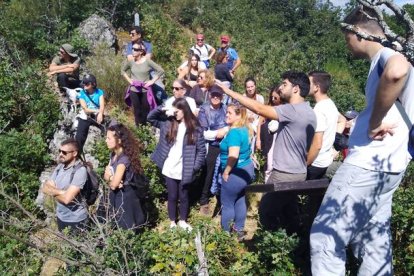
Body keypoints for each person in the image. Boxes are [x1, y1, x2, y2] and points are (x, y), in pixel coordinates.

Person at [310, 6, 414, 275]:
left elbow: (397, 71)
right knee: (374, 244)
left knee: (326, 237)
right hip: (390, 166)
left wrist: (375, 121)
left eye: (347, 36)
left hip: (366, 165)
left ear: (358, 33)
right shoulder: (387, 59)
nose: (346, 43)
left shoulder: (387, 57)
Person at [218, 71, 316, 234]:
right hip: (298, 171)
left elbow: (258, 108)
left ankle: (268, 252)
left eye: (284, 84)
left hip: (284, 173)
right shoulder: (309, 111)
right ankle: (292, 248)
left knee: (266, 213)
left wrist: (228, 92)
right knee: (289, 213)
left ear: (296, 89)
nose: (280, 87)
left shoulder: (293, 110)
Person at [148, 98, 206, 230]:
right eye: (173, 111)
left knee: (184, 196)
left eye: (177, 111)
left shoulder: (195, 128)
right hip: (169, 167)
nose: (175, 113)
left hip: (185, 168)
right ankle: (172, 221)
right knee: (172, 195)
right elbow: (150, 117)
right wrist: (163, 108)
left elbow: (201, 151)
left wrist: (195, 167)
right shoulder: (168, 123)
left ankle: (183, 221)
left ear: (184, 110)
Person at [219, 103, 255, 240]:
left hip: (235, 173)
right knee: (240, 199)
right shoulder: (244, 128)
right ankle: (239, 230)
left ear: (239, 115)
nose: (226, 115)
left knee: (227, 204)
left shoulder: (234, 133)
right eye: (226, 112)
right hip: (246, 170)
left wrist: (226, 171)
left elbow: (233, 155)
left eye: (230, 113)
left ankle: (225, 236)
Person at [104, 124, 146, 232]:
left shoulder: (123, 160)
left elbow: (113, 184)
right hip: (120, 195)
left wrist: (110, 178)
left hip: (125, 197)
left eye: (109, 138)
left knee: (126, 227)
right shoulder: (114, 155)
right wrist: (111, 178)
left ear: (118, 140)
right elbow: (108, 176)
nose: (106, 141)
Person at [42, 138, 88, 233]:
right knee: (65, 245)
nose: (60, 154)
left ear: (74, 153)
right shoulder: (60, 167)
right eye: (60, 151)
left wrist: (53, 191)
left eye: (64, 152)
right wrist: (61, 192)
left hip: (76, 220)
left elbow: (67, 199)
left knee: (77, 246)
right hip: (61, 216)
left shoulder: (80, 171)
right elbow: (45, 187)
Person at [197, 86, 229, 215]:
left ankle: (222, 200)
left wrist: (225, 131)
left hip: (225, 144)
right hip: (210, 145)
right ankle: (204, 200)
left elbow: (231, 125)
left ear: (222, 97)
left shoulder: (226, 108)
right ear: (209, 95)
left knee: (224, 172)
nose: (216, 97)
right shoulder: (204, 110)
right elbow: (203, 132)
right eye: (213, 95)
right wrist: (218, 133)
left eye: (218, 95)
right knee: (208, 172)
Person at [122, 42, 165, 126]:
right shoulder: (131, 62)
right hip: (134, 90)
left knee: (145, 111)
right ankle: (138, 131)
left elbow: (161, 71)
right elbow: (122, 71)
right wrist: (130, 81)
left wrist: (152, 81)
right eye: (132, 49)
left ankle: (145, 130)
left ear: (141, 52)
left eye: (135, 49)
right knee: (137, 111)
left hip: (145, 90)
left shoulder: (147, 62)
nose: (133, 51)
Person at [306, 71, 339, 179]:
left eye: (308, 83)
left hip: (316, 163)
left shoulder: (319, 109)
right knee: (316, 195)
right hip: (326, 161)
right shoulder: (330, 104)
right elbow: (341, 120)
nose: (306, 86)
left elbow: (317, 144)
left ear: (316, 87)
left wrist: (306, 163)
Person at [256, 86, 282, 182]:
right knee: (269, 163)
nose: (273, 99)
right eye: (272, 97)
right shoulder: (268, 108)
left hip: (279, 140)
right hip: (268, 140)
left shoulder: (285, 109)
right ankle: (267, 183)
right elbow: (259, 123)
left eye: (275, 98)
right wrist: (258, 139)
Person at [75, 74, 105, 151]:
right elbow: (85, 109)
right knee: (79, 137)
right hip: (86, 116)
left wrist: (100, 113)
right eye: (84, 82)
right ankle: (77, 152)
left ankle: (104, 146)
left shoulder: (99, 92)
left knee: (106, 128)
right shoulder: (82, 93)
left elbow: (102, 105)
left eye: (87, 83)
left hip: (96, 114)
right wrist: (97, 111)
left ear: (93, 84)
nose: (85, 85)